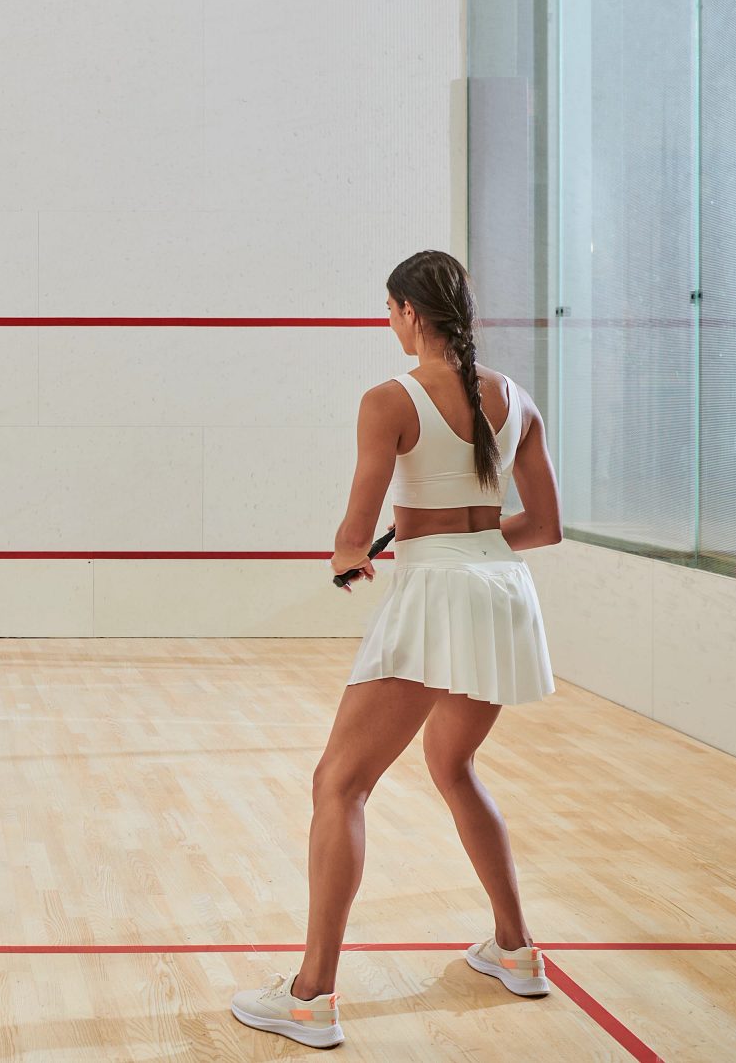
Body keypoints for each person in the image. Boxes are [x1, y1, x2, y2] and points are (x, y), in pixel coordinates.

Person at [230, 249, 563, 1050]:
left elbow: (353, 535)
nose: (387, 321)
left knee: (338, 784)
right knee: (453, 767)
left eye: (389, 308)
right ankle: (516, 951)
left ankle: (310, 996)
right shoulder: (515, 398)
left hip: (438, 597)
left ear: (411, 312)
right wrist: (470, 542)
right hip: (503, 594)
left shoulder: (390, 399)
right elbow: (544, 527)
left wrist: (356, 558)